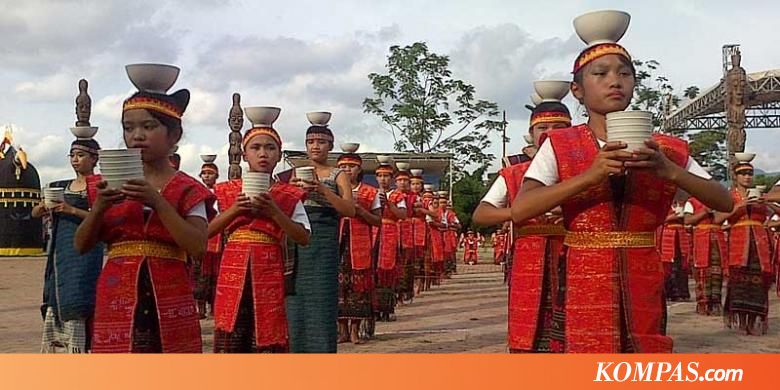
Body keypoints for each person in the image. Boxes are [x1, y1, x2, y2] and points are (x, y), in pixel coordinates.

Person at [510, 12, 733, 353]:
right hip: (582, 274)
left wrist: (670, 172)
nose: (615, 81)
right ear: (578, 91)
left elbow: (725, 202)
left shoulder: (667, 149)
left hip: (643, 272)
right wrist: (591, 176)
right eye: (600, 74)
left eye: (625, 74)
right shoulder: (561, 145)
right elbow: (522, 208)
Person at [74, 80, 215, 353]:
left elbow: (197, 246)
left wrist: (157, 202)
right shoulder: (106, 185)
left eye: (148, 127)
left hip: (171, 292)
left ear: (173, 135)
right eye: (129, 128)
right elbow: (81, 245)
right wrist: (100, 207)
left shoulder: (188, 189)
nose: (137, 135)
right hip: (116, 292)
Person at [472, 86, 571, 353]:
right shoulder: (515, 173)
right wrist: (518, 212)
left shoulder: (584, 167)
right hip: (530, 256)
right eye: (543, 128)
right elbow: (482, 213)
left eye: (558, 127)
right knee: (530, 325)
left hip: (574, 254)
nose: (550, 133)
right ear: (532, 134)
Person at [209, 120, 310, 352]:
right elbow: (206, 232)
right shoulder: (226, 191)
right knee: (231, 324)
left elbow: (303, 237)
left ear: (278, 155)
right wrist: (234, 210)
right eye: (255, 148)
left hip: (269, 265)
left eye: (270, 148)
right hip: (232, 268)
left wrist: (275, 212)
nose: (263, 154)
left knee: (267, 324)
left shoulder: (288, 194)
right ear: (244, 155)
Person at [286, 121, 355, 353]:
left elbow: (349, 209)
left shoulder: (338, 175)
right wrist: (293, 192)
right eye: (311, 142)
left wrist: (322, 191)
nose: (316, 146)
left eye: (322, 142)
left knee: (322, 300)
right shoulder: (294, 174)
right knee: (296, 300)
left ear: (330, 146)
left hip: (324, 241)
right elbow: (284, 207)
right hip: (297, 241)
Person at [33, 138, 104, 353]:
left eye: (80, 155)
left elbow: (104, 219)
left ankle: (81, 349)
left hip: (86, 252)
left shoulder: (101, 186)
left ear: (94, 158)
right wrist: (45, 207)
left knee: (79, 295)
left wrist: (72, 210)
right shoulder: (59, 186)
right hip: (60, 251)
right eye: (72, 155)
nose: (75, 160)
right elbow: (34, 213)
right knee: (57, 294)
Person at [716, 162, 777, 335]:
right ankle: (741, 321)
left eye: (750, 173)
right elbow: (718, 219)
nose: (747, 176)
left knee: (759, 283)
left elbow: (776, 215)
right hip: (739, 243)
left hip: (759, 244)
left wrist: (768, 201)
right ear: (735, 176)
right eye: (743, 173)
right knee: (739, 282)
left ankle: (753, 321)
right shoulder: (729, 196)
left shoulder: (760, 197)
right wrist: (738, 207)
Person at [335, 151, 380, 344]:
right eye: (343, 167)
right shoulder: (333, 190)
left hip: (359, 245)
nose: (347, 170)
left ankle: (354, 330)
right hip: (337, 244)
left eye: (351, 166)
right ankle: (342, 330)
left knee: (359, 288)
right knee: (338, 288)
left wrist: (360, 211)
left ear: (359, 169)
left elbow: (378, 221)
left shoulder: (371, 192)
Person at [684, 197, 727, 315]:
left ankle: (716, 303)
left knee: (717, 272)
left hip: (717, 239)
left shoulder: (718, 201)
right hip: (701, 237)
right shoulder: (692, 201)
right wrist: (705, 212)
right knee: (702, 271)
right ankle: (704, 304)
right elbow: (687, 220)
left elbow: (721, 220)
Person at [374, 163, 407, 321]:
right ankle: (373, 308)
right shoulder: (371, 193)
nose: (383, 179)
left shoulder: (397, 196)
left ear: (392, 179)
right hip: (372, 232)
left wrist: (388, 204)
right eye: (380, 176)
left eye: (386, 176)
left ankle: (387, 307)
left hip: (390, 232)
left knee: (387, 271)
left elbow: (402, 215)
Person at [196, 157, 222, 318]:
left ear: (216, 175)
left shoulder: (221, 191)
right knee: (200, 273)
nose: (206, 176)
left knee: (216, 273)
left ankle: (214, 307)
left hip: (218, 234)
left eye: (210, 173)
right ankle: (200, 308)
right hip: (200, 234)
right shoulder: (197, 191)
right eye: (204, 173)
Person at [660, 202, 691, 302]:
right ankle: (671, 293)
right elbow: (658, 219)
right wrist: (672, 217)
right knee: (669, 265)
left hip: (680, 235)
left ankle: (682, 292)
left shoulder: (683, 204)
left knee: (681, 264)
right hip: (668, 235)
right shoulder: (663, 202)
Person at [395, 170, 417, 303]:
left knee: (406, 262)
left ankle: (405, 292)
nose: (402, 183)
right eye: (400, 180)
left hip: (408, 230)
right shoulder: (392, 195)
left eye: (405, 181)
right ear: (395, 182)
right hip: (391, 230)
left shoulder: (415, 197)